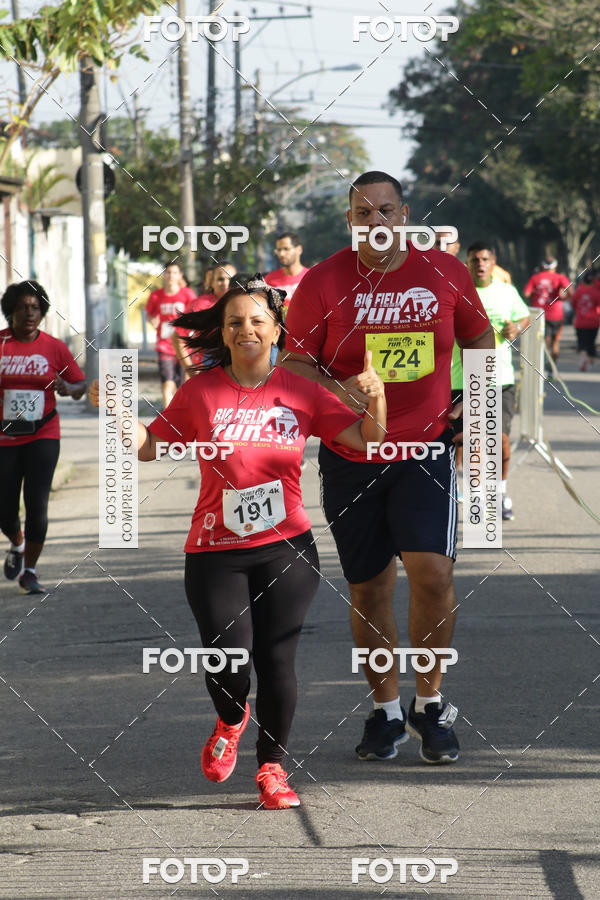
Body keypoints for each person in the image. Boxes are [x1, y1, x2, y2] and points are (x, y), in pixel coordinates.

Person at [91, 275, 386, 808]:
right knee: (227, 656)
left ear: (276, 331)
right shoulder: (201, 391)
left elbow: (368, 440)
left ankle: (272, 768)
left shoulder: (301, 391)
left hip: (287, 546)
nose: (246, 329)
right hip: (214, 550)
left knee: (277, 661)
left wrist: (376, 399)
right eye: (234, 323)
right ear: (223, 335)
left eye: (256, 320)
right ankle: (230, 719)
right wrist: (116, 411)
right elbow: (148, 446)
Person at [281, 170, 494, 765]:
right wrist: (341, 388)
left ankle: (431, 703)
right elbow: (294, 364)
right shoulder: (322, 282)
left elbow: (481, 340)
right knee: (370, 588)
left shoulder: (444, 273)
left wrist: (469, 409)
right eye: (362, 213)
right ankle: (386, 712)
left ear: (405, 216)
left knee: (433, 575)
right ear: (350, 222)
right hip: (353, 456)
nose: (375, 222)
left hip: (423, 453)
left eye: (386, 211)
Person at [0, 281, 86, 594]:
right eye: (23, 307)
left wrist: (69, 388)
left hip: (43, 435)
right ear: (11, 311)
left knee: (37, 505)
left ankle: (31, 570)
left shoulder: (54, 347)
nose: (29, 313)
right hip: (4, 437)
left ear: (43, 312)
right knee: (5, 510)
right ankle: (18, 544)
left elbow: (80, 386)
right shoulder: (1, 344)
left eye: (35, 307)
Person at [463, 242, 530, 521]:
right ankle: (464, 492)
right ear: (467, 262)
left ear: (494, 263)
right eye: (475, 259)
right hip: (462, 378)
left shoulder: (506, 291)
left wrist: (516, 327)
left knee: (499, 438)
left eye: (485, 259)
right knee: (467, 441)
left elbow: (524, 317)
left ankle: (500, 492)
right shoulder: (458, 290)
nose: (480, 264)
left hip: (499, 378)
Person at [172, 262, 237, 377]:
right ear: (211, 283)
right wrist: (190, 369)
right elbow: (177, 337)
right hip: (208, 370)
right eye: (220, 279)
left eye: (230, 279)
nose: (225, 283)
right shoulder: (199, 305)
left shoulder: (245, 304)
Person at [145, 261, 195, 407]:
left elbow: (195, 313)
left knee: (184, 385)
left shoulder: (187, 294)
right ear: (164, 275)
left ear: (180, 275)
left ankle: (183, 416)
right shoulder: (156, 296)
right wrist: (152, 320)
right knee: (167, 384)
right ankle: (167, 418)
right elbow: (149, 314)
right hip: (164, 345)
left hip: (183, 345)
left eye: (174, 273)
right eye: (168, 272)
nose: (170, 276)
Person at [523, 257, 571, 374]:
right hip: (556, 314)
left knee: (543, 340)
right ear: (555, 266)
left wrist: (535, 294)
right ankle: (552, 368)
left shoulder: (535, 278)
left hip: (538, 314)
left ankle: (544, 362)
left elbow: (526, 293)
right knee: (555, 341)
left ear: (542, 266)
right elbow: (570, 292)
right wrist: (564, 296)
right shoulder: (560, 277)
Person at [265, 232, 309, 319]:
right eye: (279, 250)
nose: (281, 254)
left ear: (299, 250)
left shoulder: (311, 277)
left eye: (286, 249)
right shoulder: (269, 280)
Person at [571, 272, 600, 371]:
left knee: (582, 342)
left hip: (580, 321)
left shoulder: (578, 291)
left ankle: (583, 358)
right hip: (593, 322)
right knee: (591, 342)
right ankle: (591, 363)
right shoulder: (596, 292)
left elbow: (573, 305)